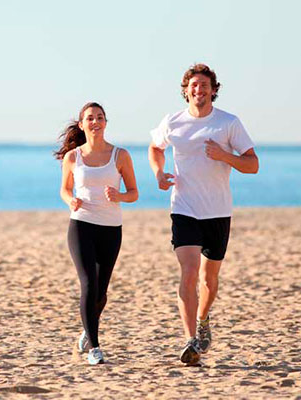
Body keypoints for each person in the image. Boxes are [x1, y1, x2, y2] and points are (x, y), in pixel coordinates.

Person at [148, 64, 259, 365]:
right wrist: (159, 173)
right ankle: (190, 340)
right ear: (186, 90)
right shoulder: (173, 121)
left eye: (204, 85)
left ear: (213, 89)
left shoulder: (228, 123)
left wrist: (224, 156)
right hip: (183, 207)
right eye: (194, 85)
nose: (199, 90)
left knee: (209, 279)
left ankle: (203, 318)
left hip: (218, 211)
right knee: (189, 271)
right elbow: (155, 147)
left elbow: (253, 165)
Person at [55, 102, 138, 365]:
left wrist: (119, 195)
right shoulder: (73, 157)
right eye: (90, 118)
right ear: (82, 124)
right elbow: (65, 190)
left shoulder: (120, 156)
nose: (95, 122)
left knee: (101, 293)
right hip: (81, 224)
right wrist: (71, 201)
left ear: (105, 122)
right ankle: (94, 348)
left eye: (100, 117)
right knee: (89, 284)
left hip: (111, 228)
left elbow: (134, 193)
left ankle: (86, 329)